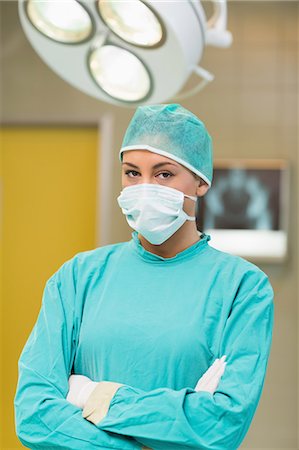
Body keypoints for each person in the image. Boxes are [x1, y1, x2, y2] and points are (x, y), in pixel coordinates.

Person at [14, 104, 274, 450]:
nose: (145, 187)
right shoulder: (78, 278)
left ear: (201, 182)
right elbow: (34, 415)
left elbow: (221, 424)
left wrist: (96, 396)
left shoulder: (242, 288)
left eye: (164, 174)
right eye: (132, 173)